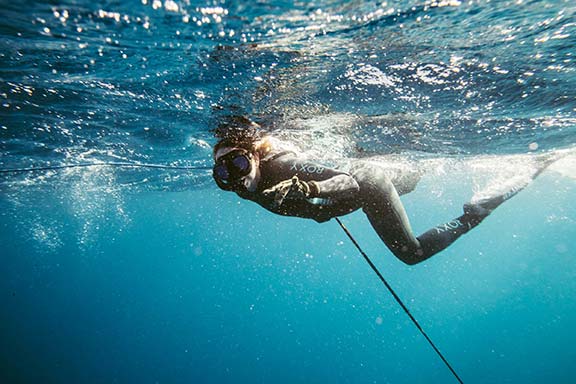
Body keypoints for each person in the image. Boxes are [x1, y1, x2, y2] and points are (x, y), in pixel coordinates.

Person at [212, 122, 556, 265]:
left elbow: (348, 181)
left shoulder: (283, 166)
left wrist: (310, 189)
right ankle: (409, 167)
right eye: (223, 173)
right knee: (410, 180)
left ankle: (475, 213)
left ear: (254, 155)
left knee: (412, 254)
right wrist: (314, 204)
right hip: (366, 191)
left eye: (238, 163)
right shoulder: (256, 193)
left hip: (369, 183)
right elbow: (320, 214)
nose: (235, 177)